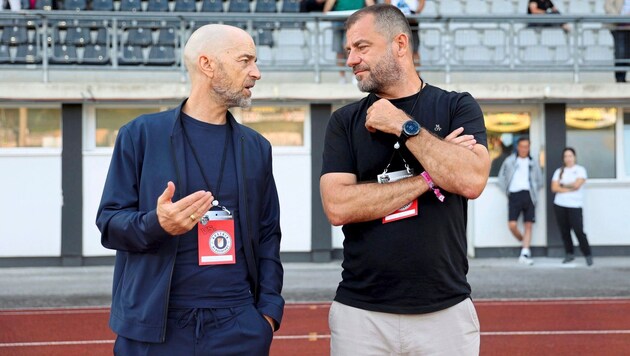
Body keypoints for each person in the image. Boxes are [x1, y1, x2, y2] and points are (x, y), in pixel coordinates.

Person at [96, 24, 284, 355]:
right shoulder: (141, 135)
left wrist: (266, 315)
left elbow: (268, 235)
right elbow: (109, 224)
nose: (256, 72)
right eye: (245, 60)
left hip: (239, 325)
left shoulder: (256, 147)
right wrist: (157, 223)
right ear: (207, 64)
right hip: (156, 328)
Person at [320, 5, 490, 354]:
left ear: (400, 44)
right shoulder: (344, 122)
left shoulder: (457, 106)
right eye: (348, 49)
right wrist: (430, 177)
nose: (350, 59)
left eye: (361, 47)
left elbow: (471, 180)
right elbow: (338, 206)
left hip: (445, 313)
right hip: (360, 314)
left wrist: (403, 125)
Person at [497, 136, 543, 265]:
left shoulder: (533, 162)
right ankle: (524, 242)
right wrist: (507, 190)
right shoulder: (510, 161)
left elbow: (539, 180)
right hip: (514, 195)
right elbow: (501, 178)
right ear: (518, 147)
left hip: (529, 195)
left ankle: (525, 251)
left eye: (526, 146)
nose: (524, 149)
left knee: (528, 225)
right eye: (522, 146)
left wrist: (533, 189)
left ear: (529, 147)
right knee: (512, 225)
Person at [551, 148, 593, 266]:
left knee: (578, 230)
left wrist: (562, 185)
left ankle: (587, 254)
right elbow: (554, 188)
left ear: (574, 157)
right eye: (566, 156)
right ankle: (569, 253)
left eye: (570, 156)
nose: (568, 158)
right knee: (565, 231)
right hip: (560, 204)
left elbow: (577, 185)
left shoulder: (580, 170)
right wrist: (568, 186)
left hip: (575, 205)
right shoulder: (559, 171)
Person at [324, 0, 375, 84]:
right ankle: (342, 77)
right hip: (338, 20)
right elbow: (328, 6)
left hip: (355, 21)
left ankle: (354, 76)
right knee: (339, 51)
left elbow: (371, 5)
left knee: (353, 50)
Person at [385, 0, 425, 70]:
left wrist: (416, 13)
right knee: (395, 49)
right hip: (396, 21)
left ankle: (417, 76)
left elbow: (422, 2)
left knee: (414, 50)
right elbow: (387, 2)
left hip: (412, 21)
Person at [605, 0, 630, 83]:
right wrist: (619, 17)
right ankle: (620, 77)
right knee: (621, 51)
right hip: (618, 26)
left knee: (627, 52)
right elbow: (608, 6)